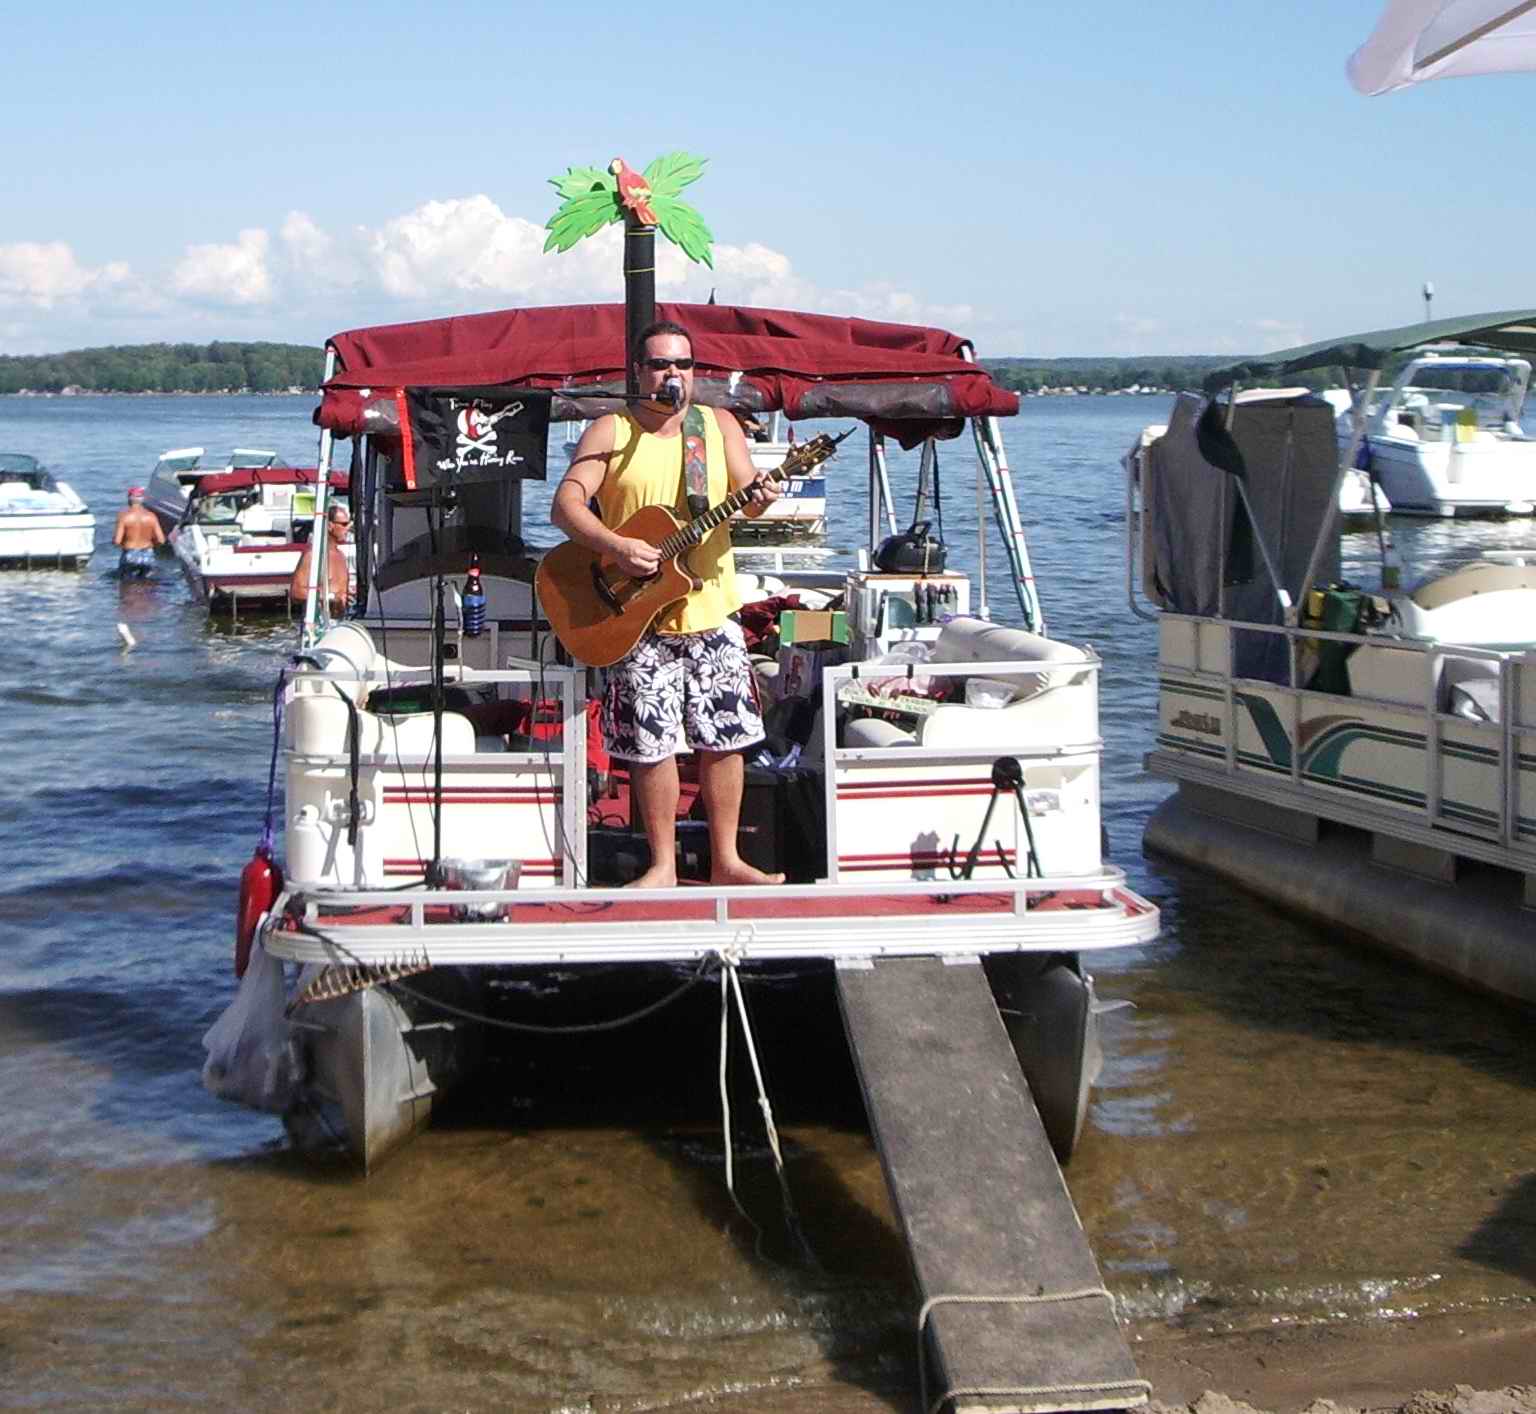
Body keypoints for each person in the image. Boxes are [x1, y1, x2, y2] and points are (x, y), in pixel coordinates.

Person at [552, 319, 783, 888]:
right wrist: (616, 546)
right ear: (638, 372)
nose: (672, 374)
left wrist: (763, 494)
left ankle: (727, 861)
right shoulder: (611, 430)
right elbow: (566, 506)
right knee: (650, 743)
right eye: (659, 364)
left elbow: (749, 497)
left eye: (683, 364)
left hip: (709, 608)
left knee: (725, 737)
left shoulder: (717, 425)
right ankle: (662, 867)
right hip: (637, 615)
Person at [289, 500, 351, 615]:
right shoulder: (313, 555)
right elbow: (296, 592)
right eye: (344, 524)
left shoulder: (341, 556)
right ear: (330, 525)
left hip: (340, 620)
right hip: (320, 622)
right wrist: (331, 597)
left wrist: (346, 594)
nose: (347, 529)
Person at [113, 486, 165, 577]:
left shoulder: (123, 516)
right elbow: (161, 540)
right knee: (148, 583)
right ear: (142, 499)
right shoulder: (151, 516)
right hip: (147, 554)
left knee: (127, 583)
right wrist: (151, 544)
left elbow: (117, 541)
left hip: (130, 554)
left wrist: (123, 543)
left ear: (129, 499)